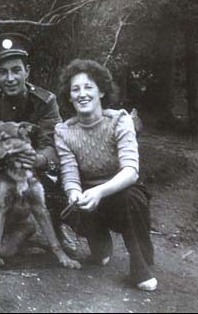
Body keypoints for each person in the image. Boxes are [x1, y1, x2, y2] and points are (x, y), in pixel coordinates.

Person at [0, 33, 77, 255]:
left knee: (62, 169)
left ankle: (59, 227)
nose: (10, 78)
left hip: (35, 168)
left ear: (27, 72)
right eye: (3, 72)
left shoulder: (45, 101)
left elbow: (54, 142)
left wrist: (40, 159)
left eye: (16, 70)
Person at [54, 58, 157, 291]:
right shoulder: (63, 131)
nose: (82, 94)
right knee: (61, 200)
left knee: (131, 198)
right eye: (75, 89)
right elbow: (69, 173)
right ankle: (100, 242)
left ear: (101, 91)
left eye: (88, 87)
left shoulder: (119, 120)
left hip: (121, 188)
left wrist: (100, 191)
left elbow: (131, 170)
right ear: (69, 97)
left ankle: (140, 264)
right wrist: (74, 194)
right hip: (90, 195)